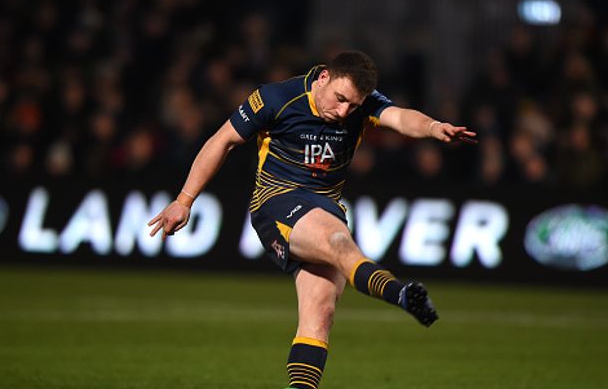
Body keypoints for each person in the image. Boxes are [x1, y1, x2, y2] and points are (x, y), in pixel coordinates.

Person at [148, 50, 476, 389]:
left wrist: (434, 127)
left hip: (324, 206)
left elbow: (400, 118)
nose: (345, 111)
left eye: (353, 105)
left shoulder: (359, 104)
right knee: (338, 243)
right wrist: (184, 200)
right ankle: (400, 293)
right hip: (277, 201)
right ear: (323, 78)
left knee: (320, 314)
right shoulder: (276, 98)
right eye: (340, 99)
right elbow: (222, 141)